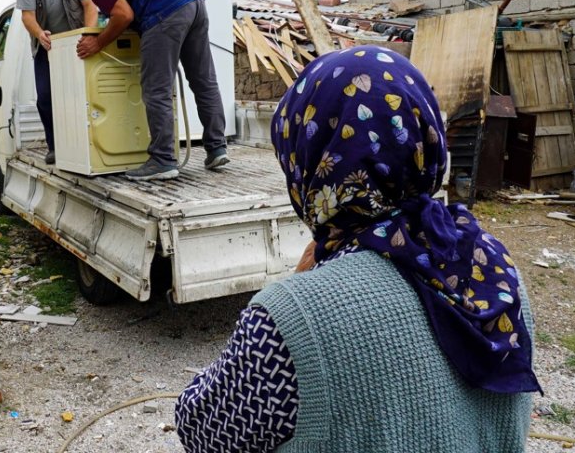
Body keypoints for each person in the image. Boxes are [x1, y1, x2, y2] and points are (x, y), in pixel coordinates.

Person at [175, 46, 540, 452]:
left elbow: (202, 431)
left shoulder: (290, 321)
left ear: (308, 160)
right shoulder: (496, 271)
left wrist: (298, 288)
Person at [47, 0, 227, 181]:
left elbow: (123, 14)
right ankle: (217, 149)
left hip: (165, 9)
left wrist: (99, 43)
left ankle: (163, 160)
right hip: (193, 1)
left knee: (156, 88)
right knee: (204, 81)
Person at [16, 0, 98, 164]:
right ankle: (55, 146)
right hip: (48, 45)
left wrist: (88, 34)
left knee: (83, 94)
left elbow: (90, 6)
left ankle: (88, 144)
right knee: (45, 97)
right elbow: (27, 16)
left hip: (77, 41)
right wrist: (39, 34)